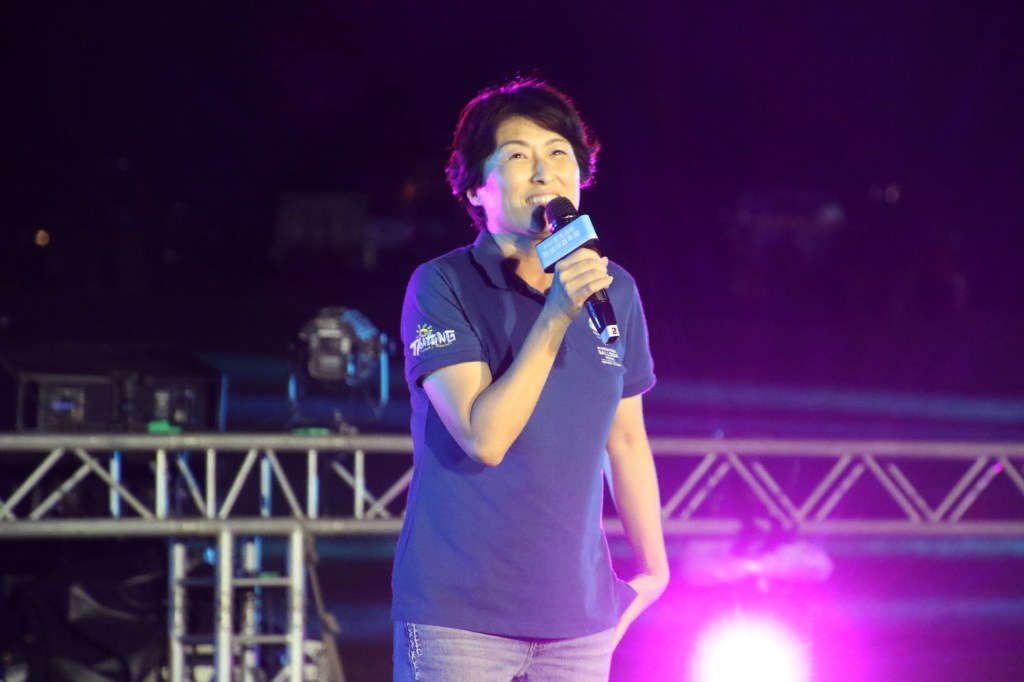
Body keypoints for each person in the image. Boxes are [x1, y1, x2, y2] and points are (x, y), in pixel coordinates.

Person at [392, 76, 669, 681]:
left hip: (578, 621)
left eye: (559, 153)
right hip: (460, 617)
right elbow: (484, 438)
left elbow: (625, 440)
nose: (544, 172)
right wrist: (555, 316)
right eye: (518, 156)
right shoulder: (442, 285)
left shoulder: (613, 289)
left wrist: (655, 570)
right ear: (475, 186)